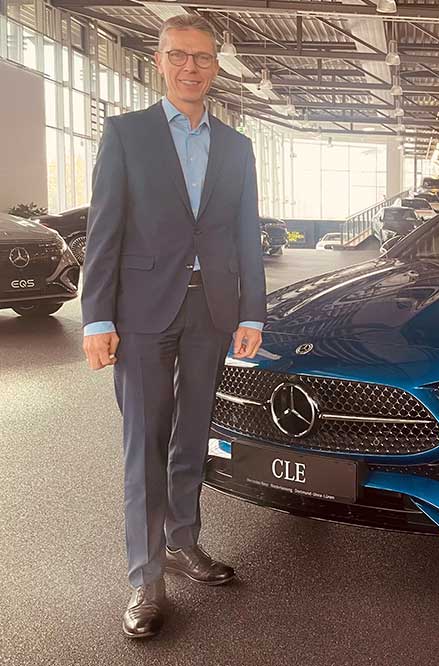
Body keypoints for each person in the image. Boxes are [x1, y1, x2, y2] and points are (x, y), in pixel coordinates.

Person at [81, 15, 266, 638]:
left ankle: (184, 542)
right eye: (180, 56)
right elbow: (104, 230)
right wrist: (97, 317)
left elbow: (245, 234)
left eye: (203, 58)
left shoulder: (237, 147)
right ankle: (146, 577)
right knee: (145, 443)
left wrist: (251, 311)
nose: (192, 67)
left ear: (216, 66)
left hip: (210, 311)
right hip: (140, 312)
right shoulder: (126, 134)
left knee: (192, 437)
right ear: (159, 61)